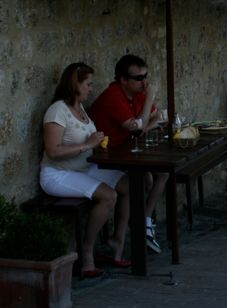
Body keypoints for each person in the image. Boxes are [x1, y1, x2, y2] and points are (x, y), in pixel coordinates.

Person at [40, 62, 130, 277]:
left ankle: (117, 242)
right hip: (58, 174)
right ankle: (87, 252)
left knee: (130, 184)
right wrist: (88, 145)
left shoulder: (80, 110)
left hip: (83, 169)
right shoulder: (57, 110)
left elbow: (86, 144)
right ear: (75, 84)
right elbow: (53, 151)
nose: (91, 88)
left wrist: (97, 145)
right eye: (88, 84)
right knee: (108, 196)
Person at [89, 54, 167, 254]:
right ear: (123, 79)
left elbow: (153, 118)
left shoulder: (137, 92)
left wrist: (146, 123)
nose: (145, 82)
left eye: (145, 76)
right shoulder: (113, 95)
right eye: (139, 78)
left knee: (160, 174)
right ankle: (129, 231)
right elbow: (137, 129)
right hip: (107, 156)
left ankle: (144, 220)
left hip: (127, 151)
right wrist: (149, 105)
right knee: (144, 179)